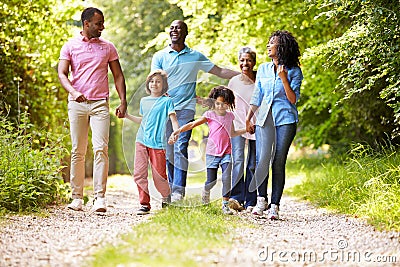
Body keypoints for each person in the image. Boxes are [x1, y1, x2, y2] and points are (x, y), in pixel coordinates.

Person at [151, 20, 240, 202]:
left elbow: (220, 71)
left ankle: (178, 192)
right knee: (168, 151)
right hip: (165, 110)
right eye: (172, 28)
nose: (175, 30)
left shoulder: (195, 56)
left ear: (186, 33)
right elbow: (155, 79)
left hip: (185, 110)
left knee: (180, 147)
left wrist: (242, 75)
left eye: (179, 28)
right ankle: (170, 189)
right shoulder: (160, 56)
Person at [58, 7, 127, 212]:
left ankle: (99, 198)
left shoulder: (108, 47)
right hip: (77, 103)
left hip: (99, 104)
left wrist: (123, 101)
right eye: (98, 24)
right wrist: (73, 91)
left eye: (102, 23)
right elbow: (62, 74)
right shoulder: (70, 46)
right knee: (78, 151)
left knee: (101, 149)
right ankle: (77, 197)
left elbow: (118, 76)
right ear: (86, 24)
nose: (102, 27)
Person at [246, 30, 303, 220]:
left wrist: (284, 78)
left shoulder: (294, 71)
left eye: (272, 42)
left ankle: (275, 205)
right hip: (264, 120)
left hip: (285, 120)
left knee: (277, 161)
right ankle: (261, 199)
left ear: (282, 47)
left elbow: (293, 99)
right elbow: (257, 95)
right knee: (261, 160)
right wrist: (249, 117)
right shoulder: (262, 69)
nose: (268, 45)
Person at [169, 86, 246, 214]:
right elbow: (193, 124)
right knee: (212, 181)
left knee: (227, 177)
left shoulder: (230, 116)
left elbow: (232, 133)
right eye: (218, 103)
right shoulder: (209, 115)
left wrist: (245, 130)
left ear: (229, 104)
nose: (221, 106)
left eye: (224, 104)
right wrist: (178, 130)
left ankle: (225, 205)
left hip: (226, 153)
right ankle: (206, 190)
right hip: (212, 154)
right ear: (213, 103)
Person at [125, 70, 179, 215]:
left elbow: (173, 120)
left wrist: (176, 132)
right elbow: (143, 121)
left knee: (159, 177)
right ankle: (144, 204)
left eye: (158, 81)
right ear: (148, 84)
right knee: (139, 174)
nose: (154, 84)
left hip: (158, 144)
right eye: (152, 81)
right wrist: (127, 115)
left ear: (163, 85)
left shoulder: (166, 101)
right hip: (141, 140)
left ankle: (166, 197)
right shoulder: (144, 101)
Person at [228, 47, 257, 212]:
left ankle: (251, 200)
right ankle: (236, 198)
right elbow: (227, 104)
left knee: (253, 163)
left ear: (253, 62)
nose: (245, 63)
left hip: (256, 125)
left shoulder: (259, 79)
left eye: (248, 60)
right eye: (242, 60)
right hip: (238, 126)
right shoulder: (233, 81)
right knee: (238, 160)